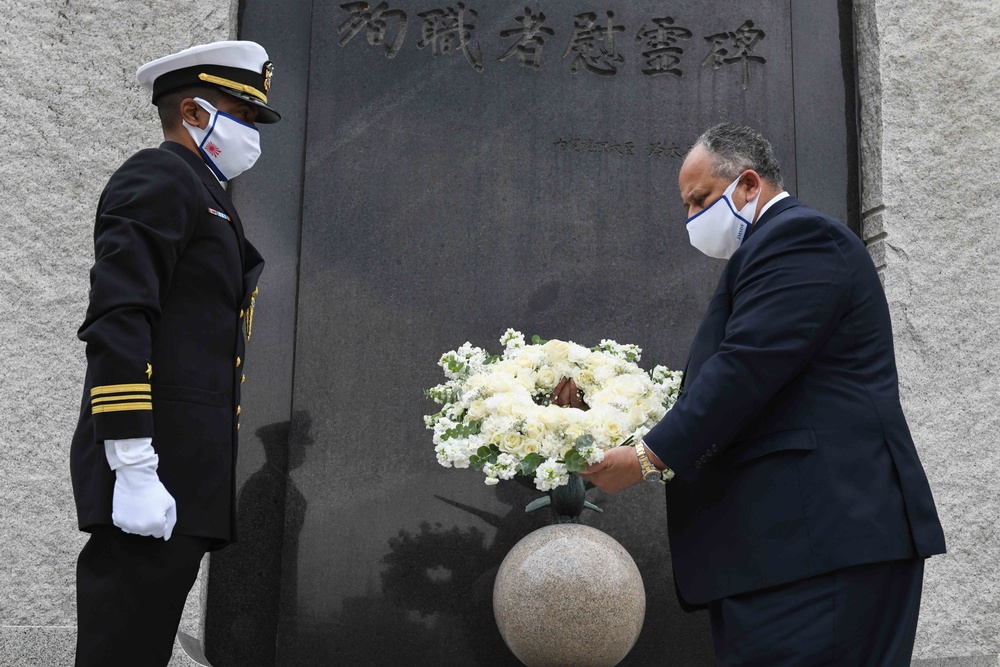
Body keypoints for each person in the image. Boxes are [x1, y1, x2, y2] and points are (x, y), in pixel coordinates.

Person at [579, 123, 946, 665]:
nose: (691, 220)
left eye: (700, 200)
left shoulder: (800, 238)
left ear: (748, 185)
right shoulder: (773, 250)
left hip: (819, 549)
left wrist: (647, 457)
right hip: (785, 554)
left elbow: (747, 367)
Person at [69, 40, 280, 667]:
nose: (251, 134)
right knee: (121, 650)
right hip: (151, 463)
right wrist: (133, 461)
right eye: (241, 115)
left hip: (183, 471)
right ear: (192, 112)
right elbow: (119, 317)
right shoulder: (159, 177)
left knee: (142, 647)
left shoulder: (210, 196)